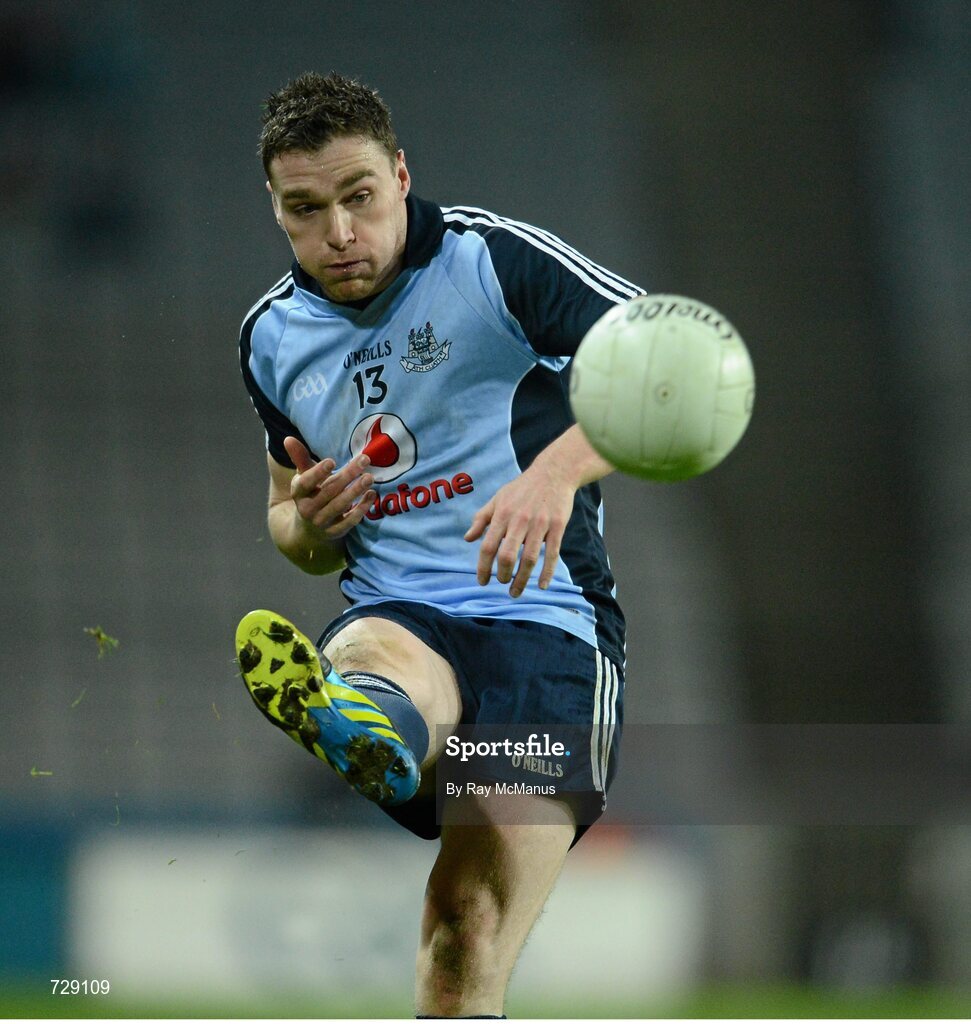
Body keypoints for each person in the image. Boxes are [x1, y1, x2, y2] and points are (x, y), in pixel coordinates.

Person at [236, 71, 641, 1019]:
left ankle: (382, 734)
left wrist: (555, 473)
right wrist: (311, 519)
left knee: (465, 934)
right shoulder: (270, 338)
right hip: (401, 607)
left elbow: (671, 363)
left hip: (547, 625)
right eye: (306, 209)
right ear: (277, 210)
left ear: (401, 177)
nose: (338, 232)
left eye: (358, 198)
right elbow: (290, 532)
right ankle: (372, 726)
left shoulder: (493, 262)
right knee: (374, 653)